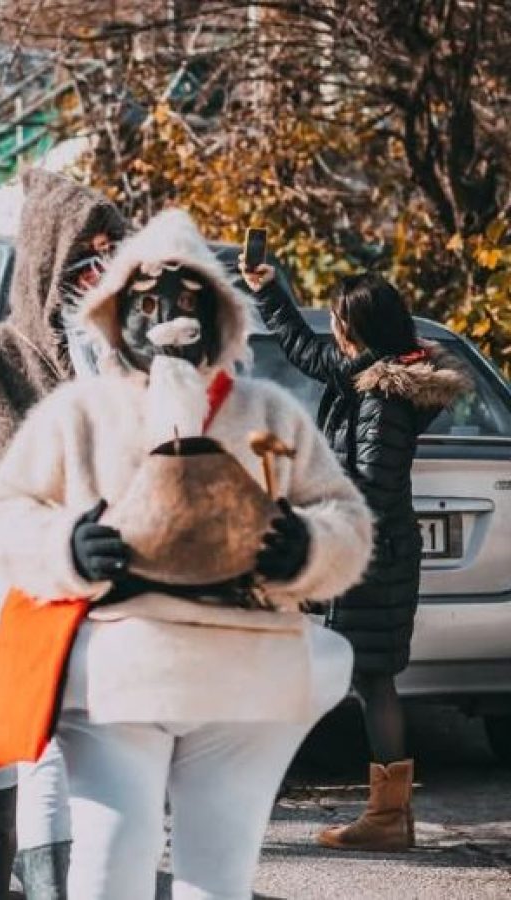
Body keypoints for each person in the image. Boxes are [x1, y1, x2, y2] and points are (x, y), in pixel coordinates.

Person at [0, 208, 373, 898]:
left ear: (218, 312)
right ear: (114, 312)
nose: (169, 317)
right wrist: (65, 545)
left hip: (244, 672)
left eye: (188, 300)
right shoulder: (79, 413)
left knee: (218, 875)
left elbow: (347, 518)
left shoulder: (268, 410)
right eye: (148, 301)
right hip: (119, 671)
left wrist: (306, 546)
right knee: (111, 865)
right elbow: (1, 512)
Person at [0, 169, 124, 898]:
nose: (102, 269)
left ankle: (38, 861)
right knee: (27, 724)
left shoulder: (134, 357)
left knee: (66, 740)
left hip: (102, 578)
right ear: (45, 262)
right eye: (85, 254)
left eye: (112, 249)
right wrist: (41, 542)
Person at [240, 260, 470, 852]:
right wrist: (269, 289)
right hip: (377, 550)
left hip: (374, 555)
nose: (335, 331)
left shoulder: (382, 401)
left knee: (370, 678)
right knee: (368, 676)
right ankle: (389, 816)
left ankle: (388, 819)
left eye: (339, 319)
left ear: (358, 328)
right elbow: (308, 356)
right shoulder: (370, 374)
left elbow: (370, 485)